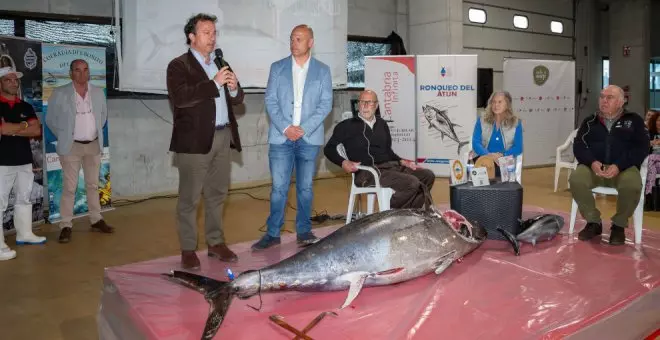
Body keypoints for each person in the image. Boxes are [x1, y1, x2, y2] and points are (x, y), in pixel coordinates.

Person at [166, 13, 245, 269]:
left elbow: (236, 98)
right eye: (206, 33)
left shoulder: (221, 63)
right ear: (192, 37)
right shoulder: (179, 66)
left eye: (214, 33)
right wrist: (213, 84)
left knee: (217, 193)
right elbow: (181, 98)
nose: (212, 38)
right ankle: (188, 248)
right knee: (190, 198)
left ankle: (216, 242)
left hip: (223, 137)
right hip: (194, 142)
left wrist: (233, 87)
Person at [251, 24, 333, 251]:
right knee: (279, 188)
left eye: (298, 39)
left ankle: (304, 231)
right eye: (291, 39)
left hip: (309, 138)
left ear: (310, 43)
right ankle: (272, 233)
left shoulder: (323, 71)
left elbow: (326, 104)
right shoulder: (277, 68)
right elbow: (271, 101)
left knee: (305, 188)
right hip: (281, 137)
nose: (293, 43)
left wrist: (303, 128)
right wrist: (287, 127)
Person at [324, 89, 435, 209]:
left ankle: (410, 211)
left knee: (427, 175)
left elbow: (388, 151)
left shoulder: (382, 124)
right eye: (362, 102)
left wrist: (403, 162)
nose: (365, 106)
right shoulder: (346, 126)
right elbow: (329, 149)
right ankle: (390, 211)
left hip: (390, 167)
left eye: (370, 102)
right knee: (411, 182)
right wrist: (343, 162)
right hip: (366, 173)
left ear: (376, 105)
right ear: (358, 104)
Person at [569, 85, 649, 245]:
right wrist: (592, 162)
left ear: (621, 102)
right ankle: (593, 222)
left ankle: (619, 225)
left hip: (623, 168)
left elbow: (642, 147)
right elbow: (579, 145)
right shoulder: (590, 121)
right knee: (576, 179)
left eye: (609, 97)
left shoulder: (634, 120)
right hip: (594, 168)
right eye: (602, 97)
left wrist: (619, 165)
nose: (604, 100)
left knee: (632, 185)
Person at [45, 59, 113, 244]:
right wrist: (65, 135)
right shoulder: (60, 93)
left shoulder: (98, 93)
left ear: (89, 72)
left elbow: (103, 117)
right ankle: (66, 225)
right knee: (69, 187)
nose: (82, 74)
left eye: (85, 70)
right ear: (71, 73)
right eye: (77, 70)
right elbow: (50, 119)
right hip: (71, 146)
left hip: (93, 144)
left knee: (92, 185)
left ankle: (96, 219)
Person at [0, 66, 47, 261]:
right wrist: (24, 126)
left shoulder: (26, 106)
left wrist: (12, 128)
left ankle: (24, 233)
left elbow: (36, 131)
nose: (13, 82)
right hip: (2, 162)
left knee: (25, 198)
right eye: (8, 79)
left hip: (24, 160)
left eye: (15, 79)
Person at [470, 91, 523, 176]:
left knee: (498, 171)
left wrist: (502, 155)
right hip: (484, 157)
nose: (496, 105)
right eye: (493, 102)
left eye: (500, 102)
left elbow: (518, 147)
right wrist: (489, 155)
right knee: (488, 168)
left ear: (507, 104)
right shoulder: (482, 120)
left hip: (504, 159)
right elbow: (475, 143)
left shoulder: (516, 123)